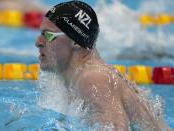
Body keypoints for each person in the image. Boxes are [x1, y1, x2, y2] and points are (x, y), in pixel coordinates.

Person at [35, 1, 169, 130]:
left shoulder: (93, 78)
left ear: (76, 41)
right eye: (40, 33)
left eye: (48, 35)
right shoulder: (71, 79)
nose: (38, 42)